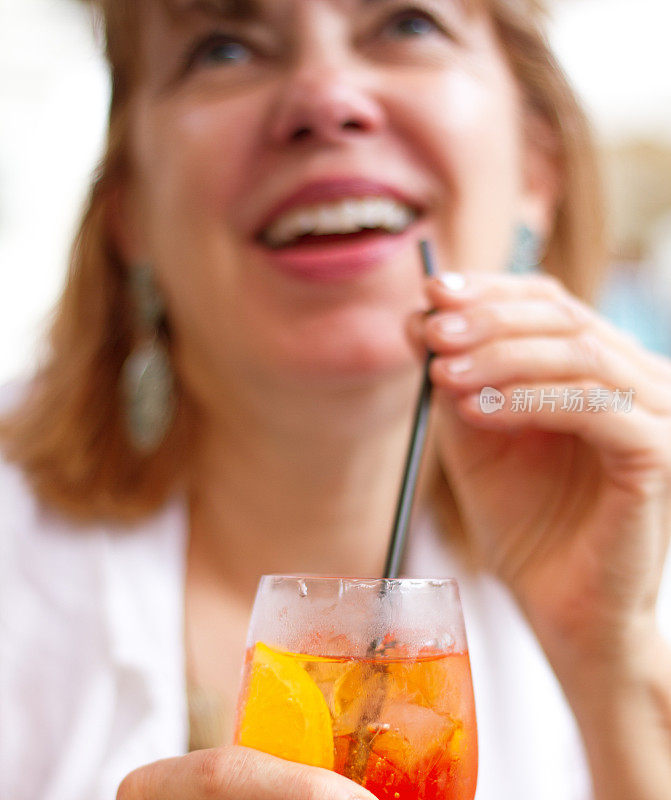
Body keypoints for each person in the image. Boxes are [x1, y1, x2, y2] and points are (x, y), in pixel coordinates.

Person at [1, 0, 670, 798]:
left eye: (408, 25)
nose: (325, 98)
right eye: (222, 49)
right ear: (128, 210)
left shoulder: (640, 526)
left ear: (536, 166)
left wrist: (611, 672)